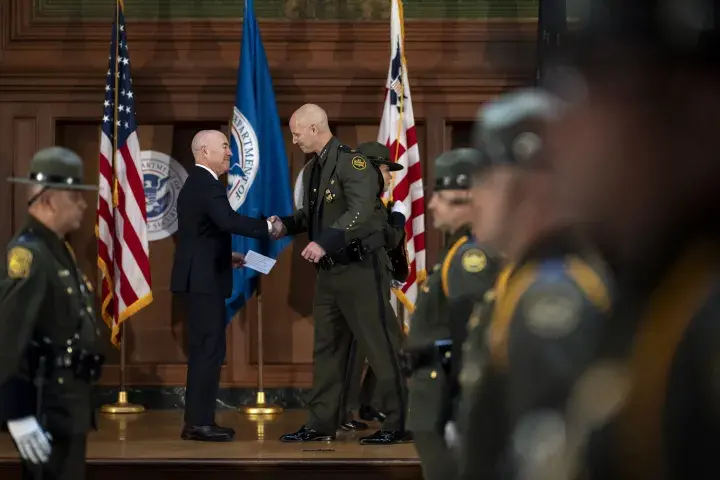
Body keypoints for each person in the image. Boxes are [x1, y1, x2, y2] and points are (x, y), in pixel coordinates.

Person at [532, 1, 720, 478]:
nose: (562, 134)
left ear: (695, 110)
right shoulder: (662, 288)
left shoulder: (705, 320)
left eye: (595, 97)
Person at [455, 89, 615, 480]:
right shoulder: (523, 280)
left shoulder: (554, 297)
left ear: (534, 184)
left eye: (487, 178)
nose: (472, 198)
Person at [272, 104, 410, 445]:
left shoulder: (354, 163)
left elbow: (360, 212)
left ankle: (399, 423)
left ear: (316, 128)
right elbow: (311, 216)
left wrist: (324, 242)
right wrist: (283, 225)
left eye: (297, 132)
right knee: (328, 350)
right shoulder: (316, 167)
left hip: (361, 270)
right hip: (331, 275)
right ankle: (321, 424)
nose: (294, 140)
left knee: (381, 347)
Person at [0, 147, 105, 479]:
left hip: (67, 404)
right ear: (47, 200)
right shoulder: (29, 255)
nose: (84, 205)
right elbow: (8, 335)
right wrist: (17, 414)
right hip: (46, 405)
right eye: (76, 196)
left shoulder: (57, 248)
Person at [170, 129, 275, 442]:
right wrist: (268, 227)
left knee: (206, 350)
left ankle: (198, 421)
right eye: (226, 147)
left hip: (201, 276)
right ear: (205, 150)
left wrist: (224, 254)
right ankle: (199, 423)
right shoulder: (207, 184)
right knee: (208, 352)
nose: (230, 153)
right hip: (203, 282)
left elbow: (199, 234)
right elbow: (228, 221)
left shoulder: (198, 183)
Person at [404, 148, 501, 480]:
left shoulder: (470, 256)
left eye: (441, 198)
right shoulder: (456, 250)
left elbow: (469, 336)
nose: (431, 205)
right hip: (433, 391)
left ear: (467, 201)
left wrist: (457, 409)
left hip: (442, 392)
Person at [339, 141, 407, 431]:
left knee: (380, 347)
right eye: (384, 169)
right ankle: (340, 414)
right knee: (354, 352)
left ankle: (368, 403)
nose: (390, 177)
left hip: (373, 283)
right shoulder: (358, 201)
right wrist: (398, 225)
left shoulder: (373, 201)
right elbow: (381, 238)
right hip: (358, 284)